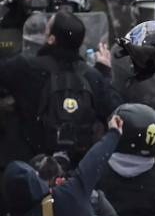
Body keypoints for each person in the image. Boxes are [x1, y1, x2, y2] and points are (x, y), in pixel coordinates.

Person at [0, 10, 121, 162]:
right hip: (77, 165)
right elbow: (116, 110)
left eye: (48, 25)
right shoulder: (91, 76)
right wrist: (104, 72)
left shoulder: (26, 67)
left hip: (29, 162)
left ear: (51, 39)